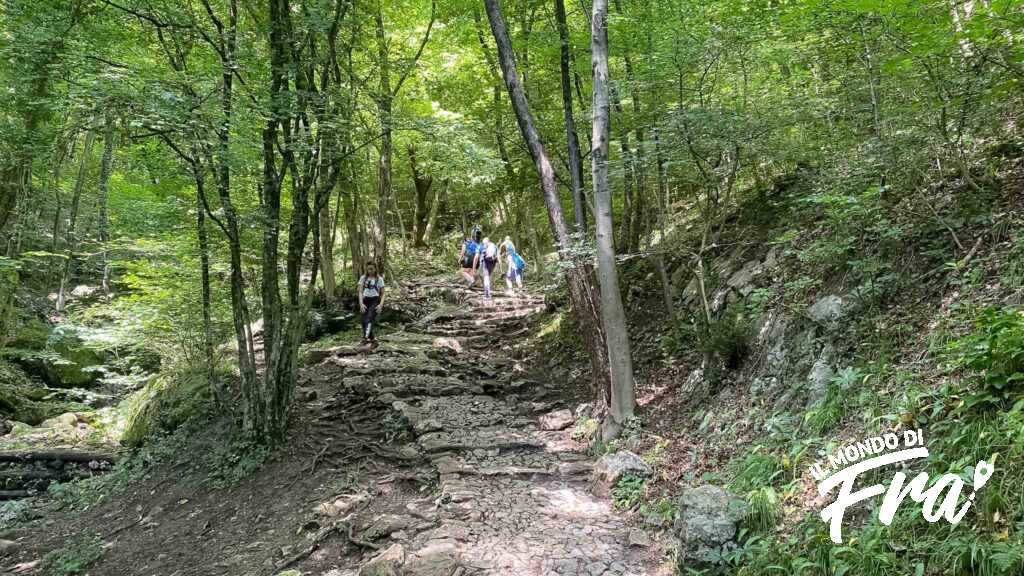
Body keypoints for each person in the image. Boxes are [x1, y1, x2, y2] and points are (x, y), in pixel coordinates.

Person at [357, 262, 385, 344]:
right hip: (365, 300)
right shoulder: (363, 278)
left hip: (375, 300)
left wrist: (380, 305)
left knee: (369, 318)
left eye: (372, 269)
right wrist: (361, 304)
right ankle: (372, 338)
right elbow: (360, 292)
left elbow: (383, 293)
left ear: (375, 269)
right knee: (363, 321)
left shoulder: (379, 279)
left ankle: (365, 338)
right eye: (368, 269)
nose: (370, 271)